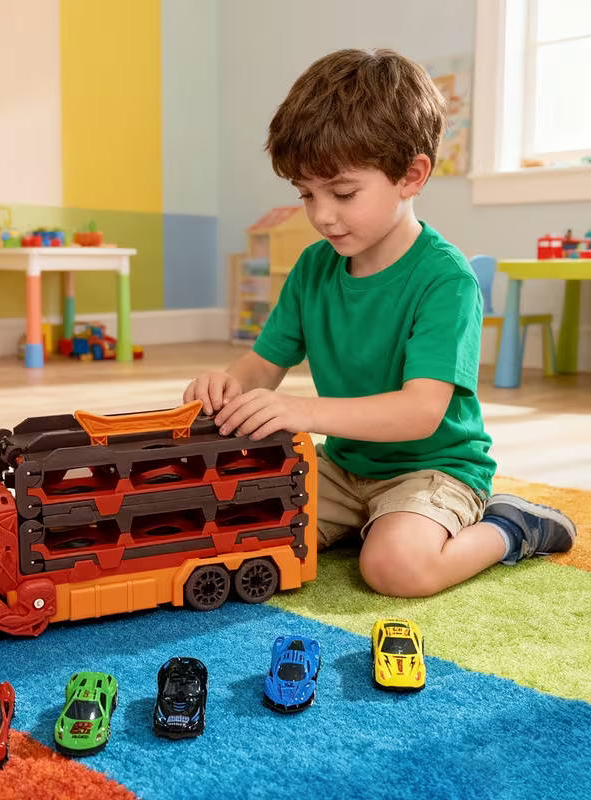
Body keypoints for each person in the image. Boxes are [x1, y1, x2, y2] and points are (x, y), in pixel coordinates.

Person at [183, 48, 575, 598]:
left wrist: (301, 411)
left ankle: (510, 527)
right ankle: (368, 521)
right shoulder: (313, 268)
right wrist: (226, 383)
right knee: (235, 529)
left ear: (411, 175)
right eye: (307, 194)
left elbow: (420, 412)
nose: (322, 215)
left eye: (343, 193)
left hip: (434, 468)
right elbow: (262, 365)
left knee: (396, 569)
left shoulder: (445, 280)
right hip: (342, 466)